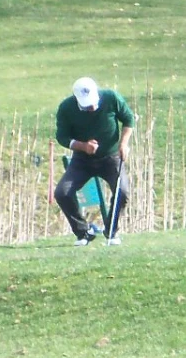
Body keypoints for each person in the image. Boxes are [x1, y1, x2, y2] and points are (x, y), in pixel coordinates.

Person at [53, 76, 135, 246]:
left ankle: (111, 230)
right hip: (82, 160)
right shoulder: (66, 108)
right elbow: (62, 137)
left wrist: (124, 144)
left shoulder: (111, 98)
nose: (91, 108)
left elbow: (129, 119)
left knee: (123, 191)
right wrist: (83, 146)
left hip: (111, 158)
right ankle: (84, 232)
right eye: (86, 106)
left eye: (92, 103)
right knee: (62, 192)